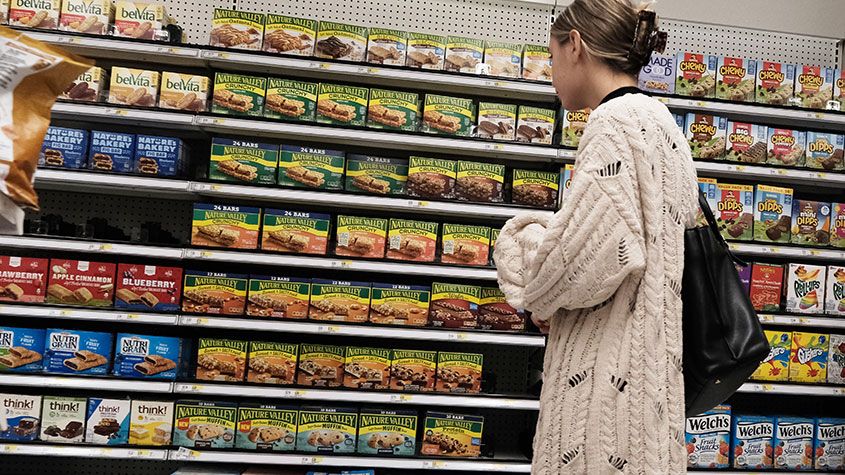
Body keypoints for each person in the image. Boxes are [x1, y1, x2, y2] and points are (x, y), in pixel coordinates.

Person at [493, 0, 700, 473]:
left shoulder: (611, 126)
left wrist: (523, 243)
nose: (551, 72)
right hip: (652, 373)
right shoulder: (664, 124)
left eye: (552, 57)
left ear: (576, 46)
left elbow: (587, 259)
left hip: (606, 382)